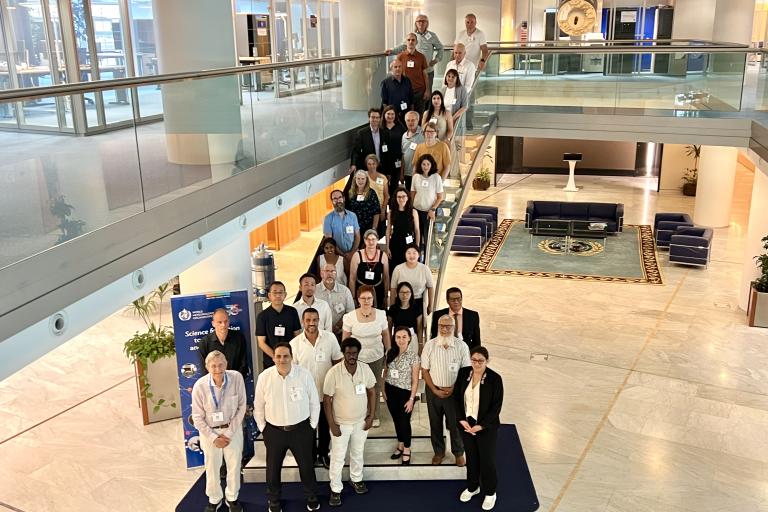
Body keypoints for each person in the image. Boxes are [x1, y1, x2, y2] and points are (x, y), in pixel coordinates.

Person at [254, 343, 321, 512]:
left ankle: (311, 496)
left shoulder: (304, 375)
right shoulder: (264, 377)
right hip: (274, 432)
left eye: (285, 356)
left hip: (301, 430)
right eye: (278, 356)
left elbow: (314, 401)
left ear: (292, 357)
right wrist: (263, 428)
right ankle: (274, 500)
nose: (282, 359)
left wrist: (312, 426)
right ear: (273, 358)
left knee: (306, 466)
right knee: (273, 468)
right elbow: (259, 405)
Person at [323, 338, 377, 507]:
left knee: (357, 452)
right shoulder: (334, 372)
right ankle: (336, 489)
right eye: (348, 353)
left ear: (358, 353)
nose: (352, 356)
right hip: (341, 424)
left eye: (354, 353)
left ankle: (356, 479)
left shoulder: (365, 369)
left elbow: (372, 392)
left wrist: (371, 416)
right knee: (338, 457)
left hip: (360, 422)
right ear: (343, 353)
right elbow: (327, 399)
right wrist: (332, 424)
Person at [191, 351, 247, 512]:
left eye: (220, 364)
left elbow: (242, 406)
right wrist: (214, 437)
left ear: (226, 364)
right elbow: (197, 417)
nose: (217, 369)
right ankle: (214, 498)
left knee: (234, 465)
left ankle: (232, 497)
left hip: (233, 430)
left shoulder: (236, 378)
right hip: (210, 433)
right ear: (207, 367)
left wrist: (228, 434)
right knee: (212, 467)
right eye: (213, 366)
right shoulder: (200, 386)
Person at [290, 309, 343, 468]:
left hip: (326, 392)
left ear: (319, 320)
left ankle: (323, 453)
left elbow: (338, 362)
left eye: (314, 319)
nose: (311, 323)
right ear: (302, 321)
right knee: (309, 428)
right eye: (308, 320)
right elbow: (293, 372)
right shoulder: (295, 344)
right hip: (306, 396)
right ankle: (311, 455)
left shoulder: (330, 338)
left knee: (325, 426)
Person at [454, 346, 503, 511]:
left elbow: (496, 408)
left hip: (486, 427)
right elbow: (456, 398)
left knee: (487, 460)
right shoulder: (463, 373)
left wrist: (480, 426)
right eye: (474, 360)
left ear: (487, 361)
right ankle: (473, 487)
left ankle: (490, 492)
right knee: (472, 457)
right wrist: (461, 419)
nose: (476, 363)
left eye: (480, 361)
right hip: (467, 425)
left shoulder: (495, 379)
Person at [421, 314, 471, 467]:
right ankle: (439, 452)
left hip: (454, 394)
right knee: (435, 423)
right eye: (441, 326)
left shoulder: (462, 347)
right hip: (433, 391)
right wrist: (434, 390)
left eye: (448, 326)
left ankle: (458, 452)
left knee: (456, 424)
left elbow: (466, 372)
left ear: (453, 328)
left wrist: (454, 389)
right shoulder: (429, 345)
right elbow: (425, 371)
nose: (444, 329)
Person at [342, 284, 390, 427]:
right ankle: (360, 414)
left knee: (375, 386)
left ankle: (375, 415)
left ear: (373, 299)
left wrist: (389, 350)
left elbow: (386, 334)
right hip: (357, 359)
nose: (366, 301)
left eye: (369, 298)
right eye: (363, 298)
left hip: (376, 356)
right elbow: (345, 339)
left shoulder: (381, 314)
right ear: (358, 299)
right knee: (359, 386)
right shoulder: (350, 317)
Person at [383, 326, 421, 465]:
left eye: (404, 337)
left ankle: (407, 448)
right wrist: (383, 390)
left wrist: (412, 399)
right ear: (394, 338)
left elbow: (415, 380)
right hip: (390, 390)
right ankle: (400, 444)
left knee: (404, 421)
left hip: (405, 393)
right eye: (398, 337)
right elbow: (385, 372)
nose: (401, 340)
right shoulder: (390, 352)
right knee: (396, 420)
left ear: (410, 338)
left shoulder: (413, 356)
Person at [388, 14, 444, 94]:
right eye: (419, 21)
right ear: (416, 23)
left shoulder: (432, 36)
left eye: (423, 21)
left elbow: (440, 48)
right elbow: (403, 46)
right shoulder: (412, 36)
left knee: (427, 93)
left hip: (428, 70)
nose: (421, 23)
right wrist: (392, 51)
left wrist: (436, 60)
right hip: (414, 72)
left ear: (427, 23)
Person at [256, 281, 302, 369]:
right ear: (269, 295)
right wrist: (276, 357)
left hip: (290, 360)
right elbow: (261, 343)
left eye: (280, 292)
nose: (278, 295)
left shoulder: (292, 312)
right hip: (271, 362)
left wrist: (290, 356)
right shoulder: (262, 316)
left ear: (285, 295)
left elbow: (297, 336)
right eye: (275, 292)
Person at [197, 308, 248, 379]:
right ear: (213, 324)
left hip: (235, 383)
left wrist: (235, 381)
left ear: (229, 321)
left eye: (225, 321)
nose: (223, 325)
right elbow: (204, 369)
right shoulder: (204, 342)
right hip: (214, 386)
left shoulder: (239, 338)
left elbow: (244, 364)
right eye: (219, 322)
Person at [410, 154, 444, 252]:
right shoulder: (416, 177)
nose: (425, 167)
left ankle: (428, 259)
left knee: (428, 236)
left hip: (429, 212)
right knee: (416, 235)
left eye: (427, 164)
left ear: (431, 165)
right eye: (423, 164)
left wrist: (433, 209)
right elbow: (412, 193)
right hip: (417, 210)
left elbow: (440, 197)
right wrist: (411, 208)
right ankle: (417, 256)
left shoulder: (436, 177)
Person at [349, 229, 390, 309]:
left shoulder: (383, 255)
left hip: (378, 290)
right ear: (364, 240)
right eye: (368, 239)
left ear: (377, 240)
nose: (371, 242)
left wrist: (386, 296)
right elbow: (352, 279)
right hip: (361, 291)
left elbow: (386, 277)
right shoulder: (357, 255)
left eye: (373, 239)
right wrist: (353, 298)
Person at [390, 244, 434, 315]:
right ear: (405, 254)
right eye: (409, 253)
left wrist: (430, 305)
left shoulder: (425, 269)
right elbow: (393, 289)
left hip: (418, 302)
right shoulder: (398, 269)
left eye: (414, 253)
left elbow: (430, 287)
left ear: (419, 255)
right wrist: (392, 307)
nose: (411, 256)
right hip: (401, 302)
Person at [316, 263, 356, 340]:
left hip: (341, 333)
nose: (330, 274)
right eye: (327, 271)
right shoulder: (315, 291)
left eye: (333, 271)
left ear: (336, 274)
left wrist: (337, 327)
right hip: (320, 333)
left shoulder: (345, 291)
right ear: (321, 274)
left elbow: (350, 312)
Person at [386, 186, 420, 269]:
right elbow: (388, 230)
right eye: (399, 197)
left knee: (408, 267)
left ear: (407, 198)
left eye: (404, 196)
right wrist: (387, 247)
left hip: (408, 244)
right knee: (394, 267)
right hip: (395, 243)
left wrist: (416, 247)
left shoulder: (413, 212)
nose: (401, 199)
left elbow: (417, 230)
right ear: (396, 198)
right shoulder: (391, 212)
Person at [323, 189, 361, 264]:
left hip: (354, 253)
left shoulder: (352, 216)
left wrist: (352, 253)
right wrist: (343, 255)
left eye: (340, 197)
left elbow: (357, 236)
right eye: (335, 199)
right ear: (332, 201)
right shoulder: (328, 219)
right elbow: (330, 242)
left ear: (343, 199)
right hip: (337, 256)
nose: (338, 200)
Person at [396, 34, 429, 113]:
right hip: (405, 91)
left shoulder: (421, 57)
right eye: (409, 40)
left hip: (419, 91)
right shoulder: (400, 56)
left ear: (416, 42)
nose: (411, 42)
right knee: (406, 115)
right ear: (406, 42)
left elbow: (425, 74)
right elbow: (397, 74)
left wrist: (427, 90)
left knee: (419, 115)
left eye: (413, 40)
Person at [387, 281, 423, 352]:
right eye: (402, 292)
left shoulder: (416, 308)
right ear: (397, 293)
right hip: (397, 339)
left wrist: (420, 343)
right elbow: (389, 327)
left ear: (411, 294)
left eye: (407, 292)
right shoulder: (393, 308)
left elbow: (419, 328)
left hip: (412, 339)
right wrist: (389, 343)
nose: (405, 295)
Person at [345, 170, 380, 238]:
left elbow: (376, 212)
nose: (360, 181)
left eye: (363, 179)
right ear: (355, 179)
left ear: (366, 180)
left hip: (368, 227)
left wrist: (374, 228)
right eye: (358, 178)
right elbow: (347, 211)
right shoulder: (350, 193)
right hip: (354, 227)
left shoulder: (371, 193)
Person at [380, 106, 405, 195]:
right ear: (384, 115)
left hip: (396, 162)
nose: (390, 116)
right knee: (383, 187)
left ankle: (392, 207)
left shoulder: (400, 127)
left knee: (394, 187)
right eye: (388, 114)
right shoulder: (380, 128)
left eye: (392, 114)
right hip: (383, 162)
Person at [380, 59, 413, 125]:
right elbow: (384, 102)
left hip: (406, 114)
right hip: (393, 116)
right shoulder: (385, 83)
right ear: (391, 69)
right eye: (395, 67)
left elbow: (411, 98)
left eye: (399, 66)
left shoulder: (407, 81)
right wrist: (388, 116)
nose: (398, 69)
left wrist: (411, 113)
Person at [363, 154, 389, 237]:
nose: (371, 166)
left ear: (377, 164)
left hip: (380, 209)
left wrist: (383, 210)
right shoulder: (363, 176)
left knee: (379, 233)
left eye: (373, 164)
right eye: (369, 164)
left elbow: (386, 195)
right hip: (367, 209)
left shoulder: (383, 177)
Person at [400, 111, 424, 191]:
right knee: (410, 197)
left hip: (421, 173)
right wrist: (402, 173)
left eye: (413, 120)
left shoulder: (424, 133)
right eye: (408, 120)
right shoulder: (404, 136)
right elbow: (403, 155)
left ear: (418, 120)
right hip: (408, 173)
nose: (411, 122)